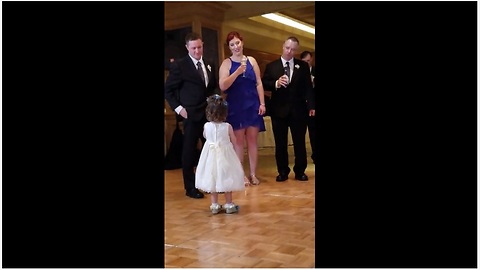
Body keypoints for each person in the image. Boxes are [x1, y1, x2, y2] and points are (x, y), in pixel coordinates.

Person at [165, 32, 219, 199]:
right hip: (190, 115)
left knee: (211, 149)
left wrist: (215, 100)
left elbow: (213, 87)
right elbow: (168, 90)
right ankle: (190, 187)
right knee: (188, 151)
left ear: (202, 45)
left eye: (199, 47)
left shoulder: (209, 63)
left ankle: (211, 184)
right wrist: (179, 108)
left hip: (208, 115)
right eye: (194, 48)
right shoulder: (179, 66)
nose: (197, 51)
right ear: (187, 48)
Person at [262, 36, 315, 182]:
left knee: (299, 143)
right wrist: (276, 83)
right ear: (283, 46)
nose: (289, 51)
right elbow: (264, 82)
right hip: (278, 110)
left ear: (296, 51)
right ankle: (283, 171)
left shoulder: (302, 66)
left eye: (293, 49)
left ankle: (300, 171)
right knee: (280, 143)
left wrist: (311, 106)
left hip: (299, 110)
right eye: (287, 48)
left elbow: (308, 89)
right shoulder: (272, 66)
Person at [218, 31, 266, 186]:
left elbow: (258, 82)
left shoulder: (252, 61)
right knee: (238, 141)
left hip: (252, 104)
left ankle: (253, 174)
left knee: (252, 140)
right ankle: (241, 175)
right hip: (236, 105)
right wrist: (237, 72)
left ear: (242, 43)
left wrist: (262, 103)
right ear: (229, 47)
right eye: (232, 45)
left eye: (237, 43)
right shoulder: (227, 63)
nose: (236, 46)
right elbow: (223, 85)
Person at [195, 94, 245, 214]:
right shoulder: (227, 126)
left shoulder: (206, 126)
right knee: (226, 177)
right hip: (225, 156)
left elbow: (205, 136)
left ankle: (215, 205)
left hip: (211, 156)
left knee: (213, 178)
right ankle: (228, 204)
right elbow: (234, 140)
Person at [300, 50, 316, 164]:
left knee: (314, 133)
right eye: (304, 61)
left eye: (308, 61)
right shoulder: (297, 73)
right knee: (300, 135)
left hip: (313, 107)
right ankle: (301, 159)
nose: (307, 63)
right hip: (300, 107)